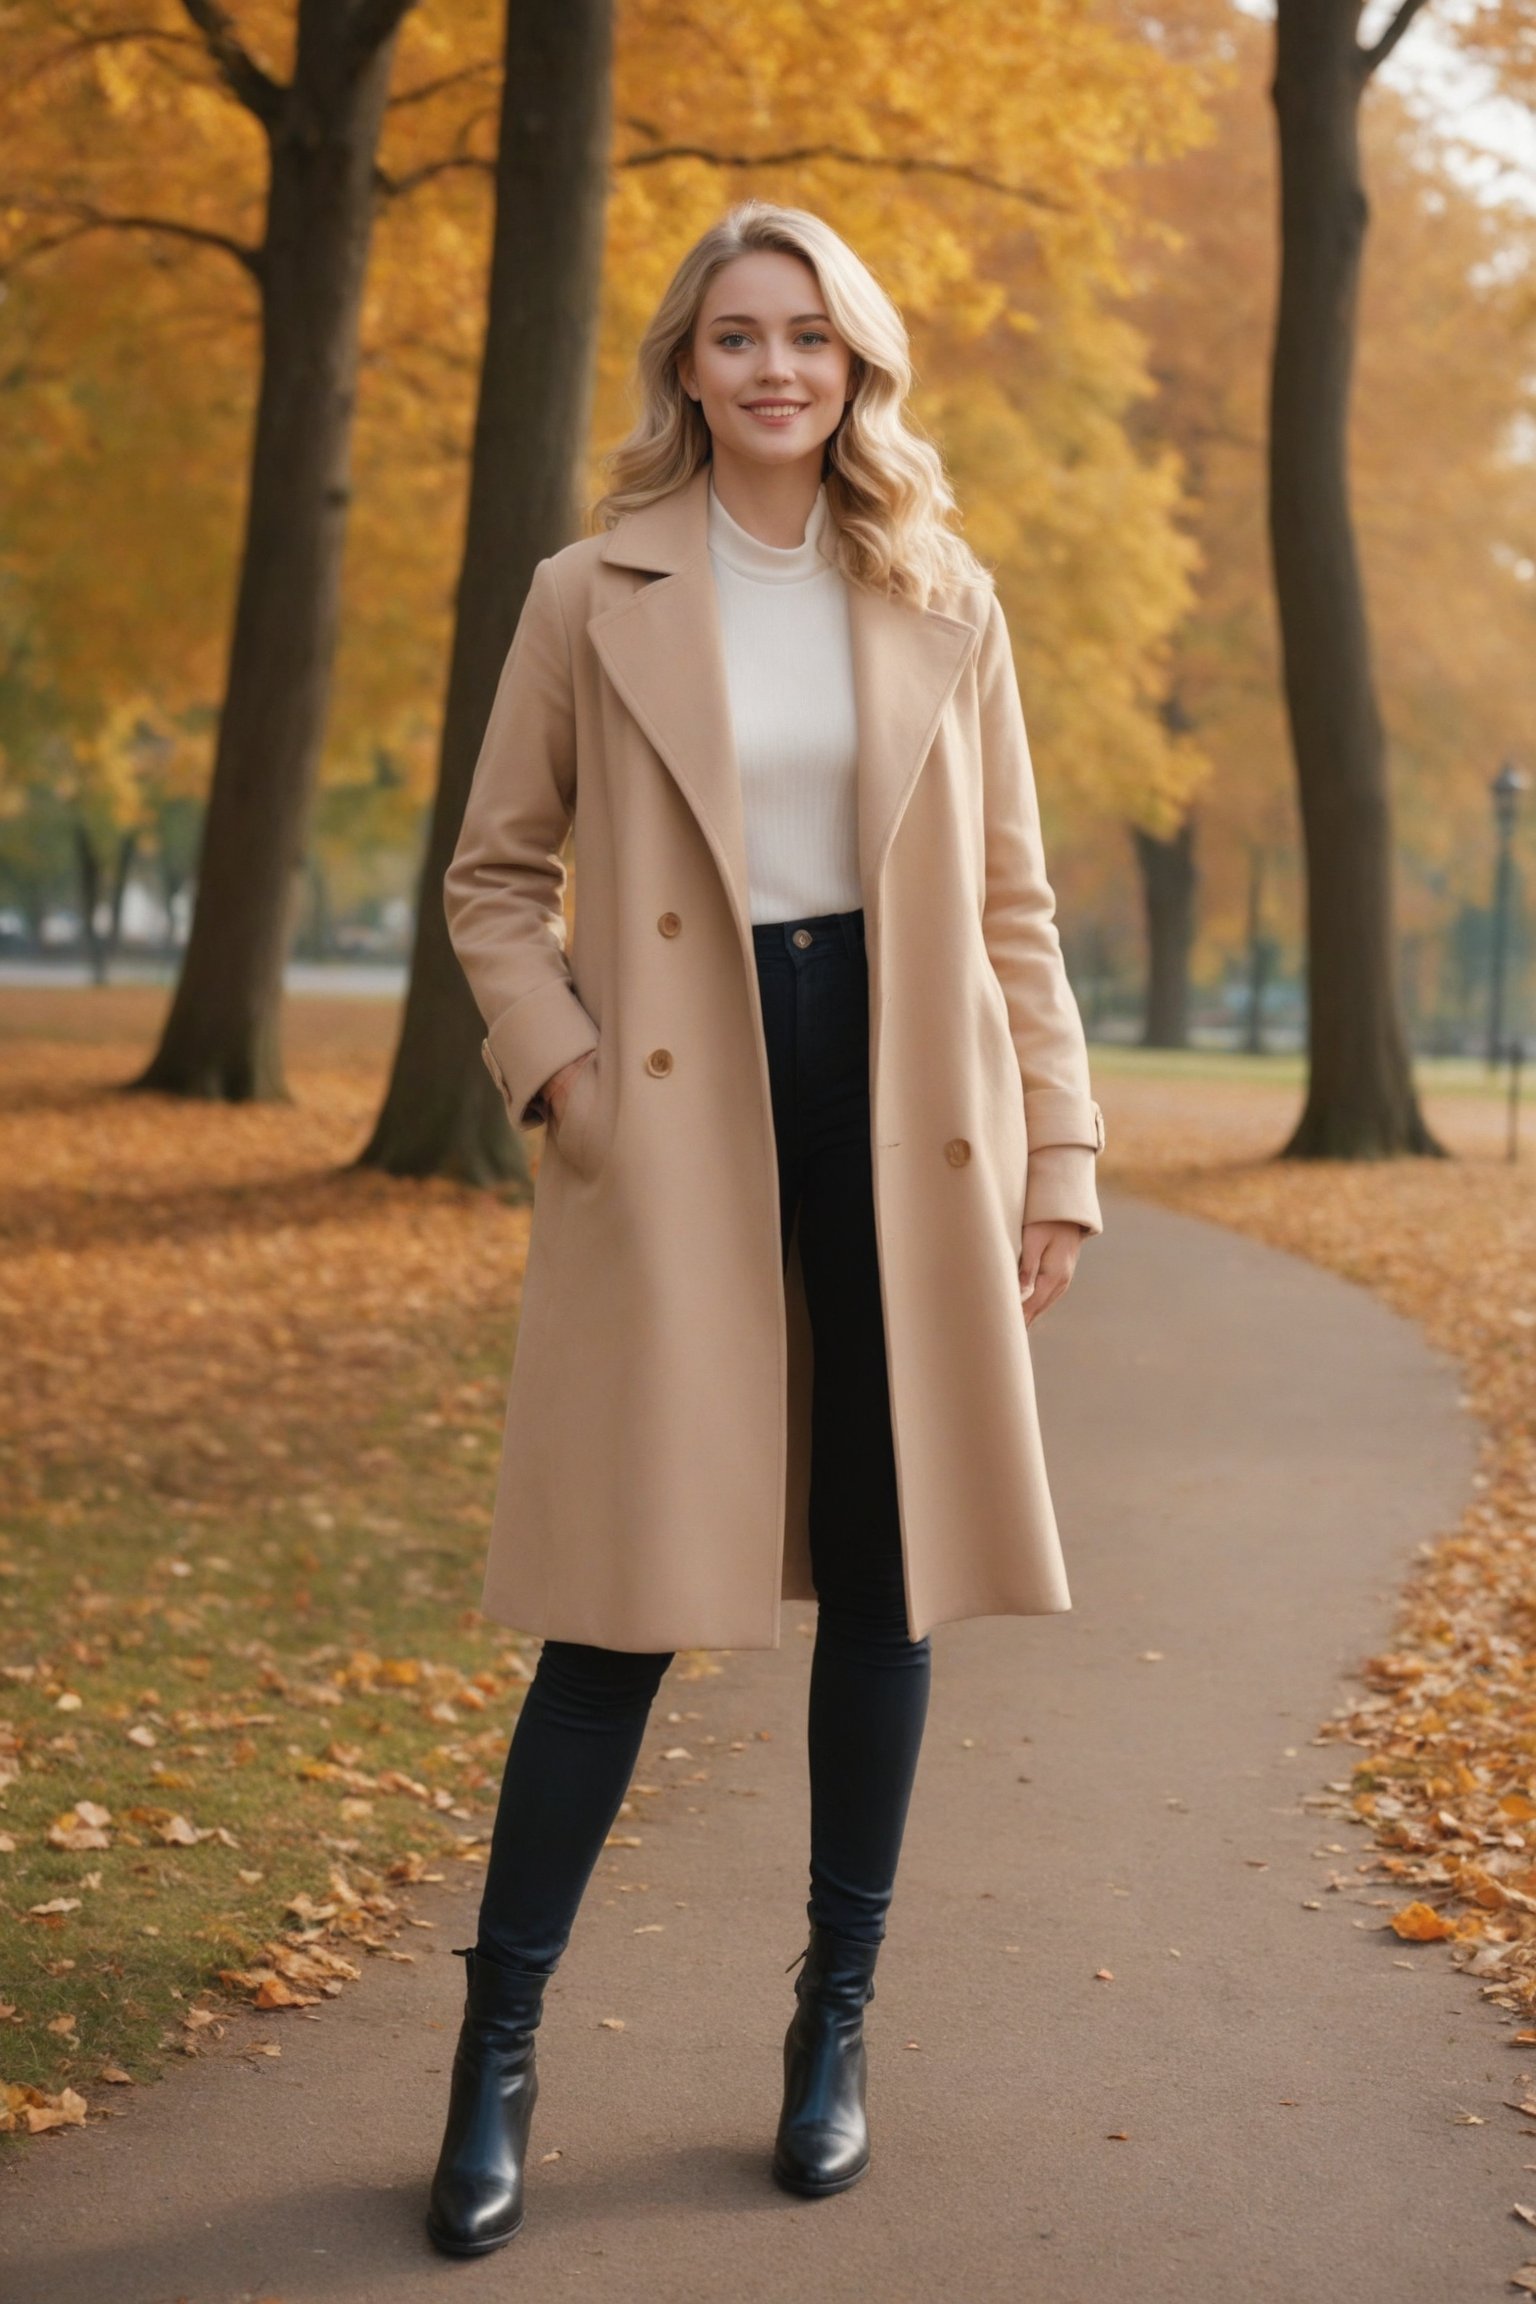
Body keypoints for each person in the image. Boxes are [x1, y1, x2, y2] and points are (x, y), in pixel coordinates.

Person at [426, 198, 1106, 2257]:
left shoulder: (943, 591)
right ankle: (497, 2058)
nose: (776, 367)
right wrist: (558, 1079)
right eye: (739, 334)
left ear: (858, 365)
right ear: (687, 365)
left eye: (809, 334)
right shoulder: (589, 587)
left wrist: (1060, 1155)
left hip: (907, 1109)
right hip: (679, 1109)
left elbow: (1014, 909)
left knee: (886, 1588)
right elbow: (491, 879)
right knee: (621, 1604)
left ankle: (832, 2032)